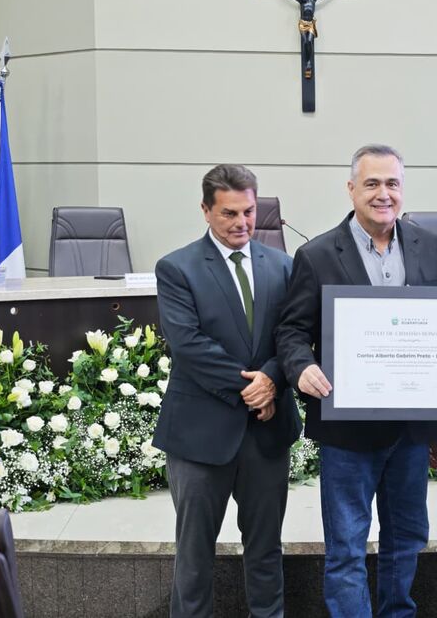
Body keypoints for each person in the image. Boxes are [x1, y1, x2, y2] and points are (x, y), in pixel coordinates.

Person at [275, 144, 437, 617]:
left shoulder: (429, 246)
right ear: (352, 189)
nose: (384, 194)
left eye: (393, 183)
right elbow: (292, 329)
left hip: (410, 430)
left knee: (406, 539)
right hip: (346, 431)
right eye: (373, 183)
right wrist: (302, 368)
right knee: (346, 546)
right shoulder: (316, 254)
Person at [152, 164, 300, 618]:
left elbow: (293, 334)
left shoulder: (284, 265)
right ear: (205, 211)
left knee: (265, 551)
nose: (241, 223)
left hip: (266, 433)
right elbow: (189, 344)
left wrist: (273, 378)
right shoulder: (177, 267)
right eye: (229, 213)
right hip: (200, 436)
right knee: (194, 557)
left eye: (250, 212)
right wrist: (252, 387)